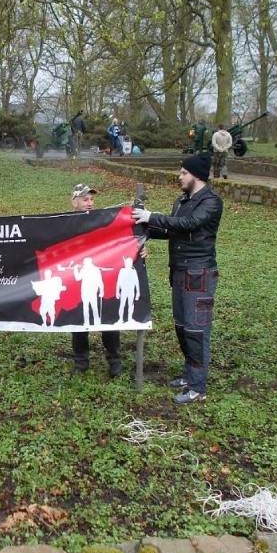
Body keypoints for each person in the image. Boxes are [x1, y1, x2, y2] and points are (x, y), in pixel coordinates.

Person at [132, 155, 222, 404]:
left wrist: (151, 216)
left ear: (197, 175)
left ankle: (197, 386)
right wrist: (144, 229)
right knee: (182, 327)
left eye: (183, 172)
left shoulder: (211, 202)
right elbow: (174, 230)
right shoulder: (181, 201)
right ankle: (188, 374)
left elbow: (190, 224)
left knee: (196, 330)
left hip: (200, 273)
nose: (179, 176)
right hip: (180, 272)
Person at [68, 184, 122, 377]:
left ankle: (114, 359)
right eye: (84, 199)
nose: (89, 203)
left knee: (107, 317)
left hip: (101, 281)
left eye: (91, 199)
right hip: (78, 283)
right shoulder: (64, 225)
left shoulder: (102, 222)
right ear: (74, 202)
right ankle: (81, 361)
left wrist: (139, 249)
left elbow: (121, 242)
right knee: (79, 320)